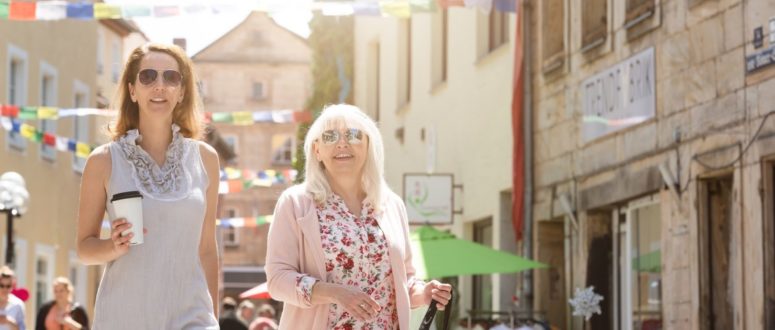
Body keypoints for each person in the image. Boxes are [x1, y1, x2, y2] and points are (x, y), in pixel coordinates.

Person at [265, 104, 452, 329]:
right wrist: (334, 293)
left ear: (368, 145)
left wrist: (424, 293)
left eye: (353, 135)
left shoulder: (392, 206)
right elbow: (277, 280)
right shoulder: (295, 203)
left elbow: (402, 282)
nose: (342, 143)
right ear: (317, 150)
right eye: (330, 136)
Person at [76, 42, 220, 329]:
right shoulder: (103, 161)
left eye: (171, 77)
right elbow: (84, 248)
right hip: (125, 316)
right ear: (132, 90)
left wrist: (212, 315)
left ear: (181, 91)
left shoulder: (206, 159)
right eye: (148, 76)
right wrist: (113, 247)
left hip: (192, 316)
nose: (159, 85)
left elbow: (206, 248)